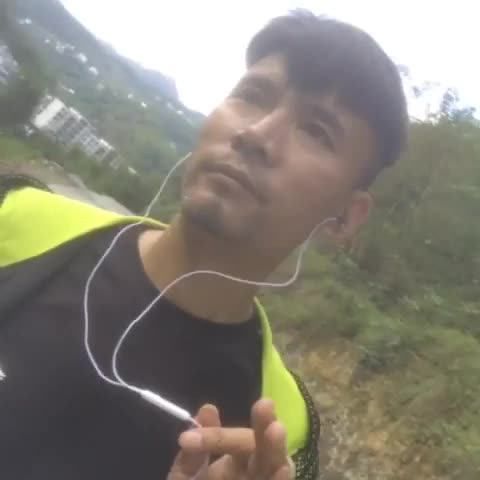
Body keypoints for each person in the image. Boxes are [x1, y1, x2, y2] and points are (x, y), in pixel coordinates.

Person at [0, 9, 408, 480]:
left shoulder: (282, 437)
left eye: (316, 130)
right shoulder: (17, 216)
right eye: (253, 96)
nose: (256, 134)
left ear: (346, 217)